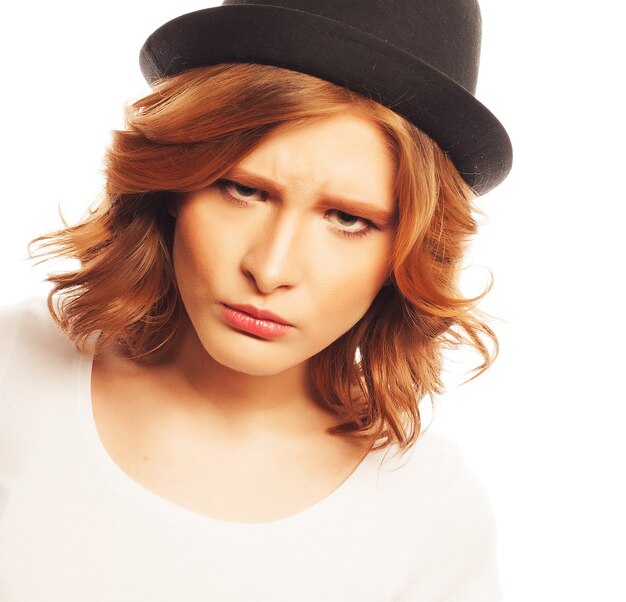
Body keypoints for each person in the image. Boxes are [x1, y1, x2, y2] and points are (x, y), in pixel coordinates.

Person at [0, 0, 512, 600]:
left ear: (407, 256)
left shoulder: (429, 515)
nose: (270, 269)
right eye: (244, 189)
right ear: (174, 184)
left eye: (347, 218)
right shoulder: (14, 374)